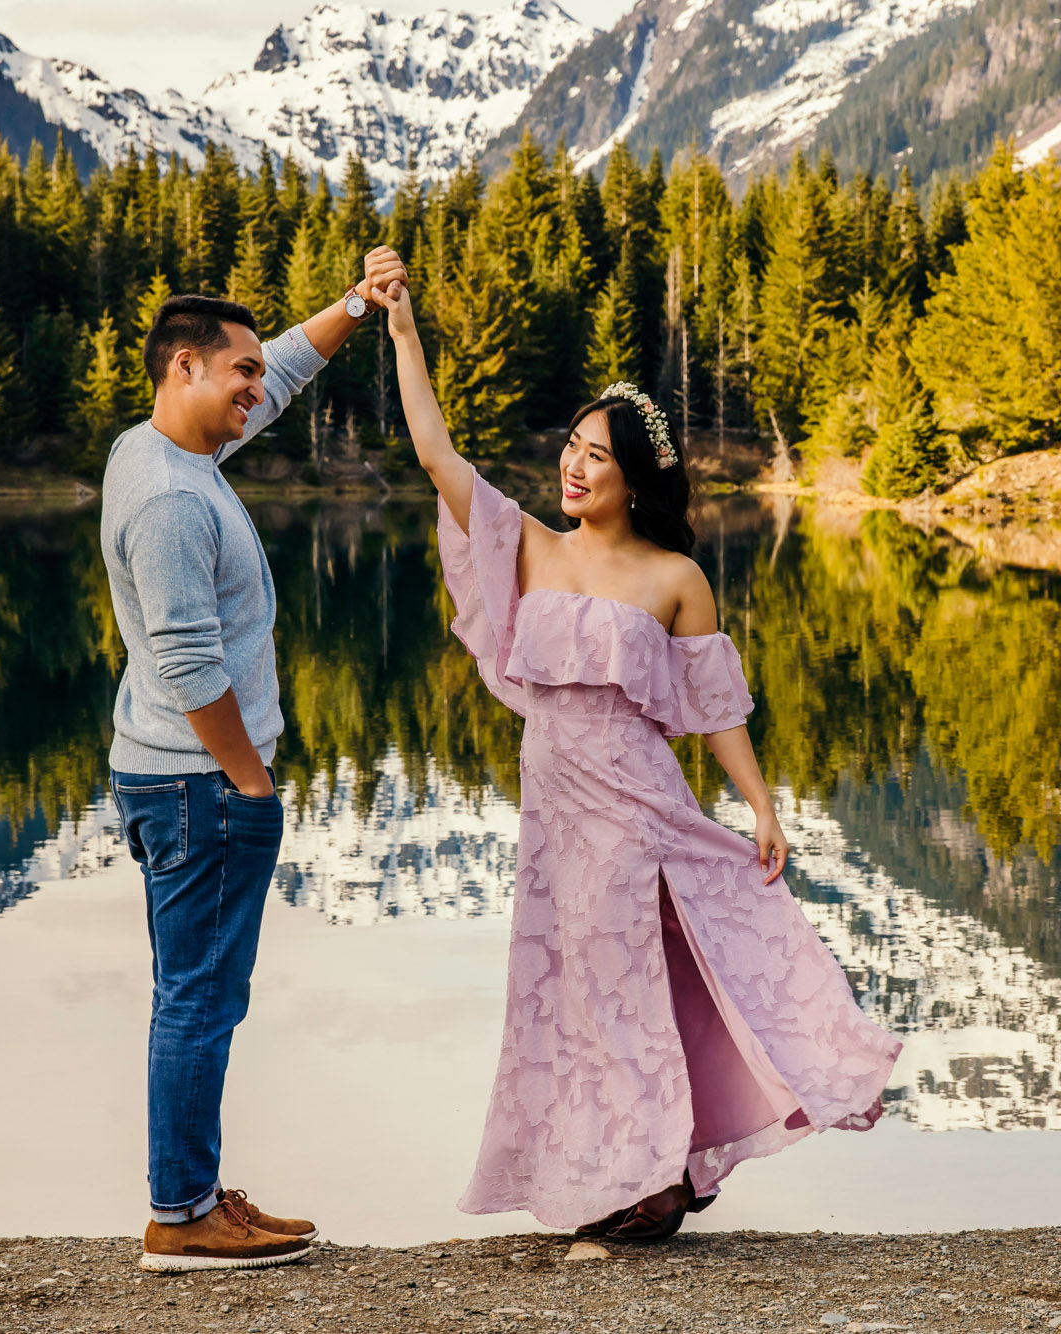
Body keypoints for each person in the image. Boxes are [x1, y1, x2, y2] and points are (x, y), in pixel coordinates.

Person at [374, 277, 904, 1238]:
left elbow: (717, 711)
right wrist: (405, 331)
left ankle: (654, 1180)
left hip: (635, 807)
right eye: (572, 450)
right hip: (553, 812)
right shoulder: (529, 546)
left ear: (635, 479)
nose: (575, 470)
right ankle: (625, 1173)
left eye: (597, 458)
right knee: (569, 995)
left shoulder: (675, 578)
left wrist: (764, 809)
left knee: (622, 989)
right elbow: (434, 453)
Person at [103, 247, 408, 1271]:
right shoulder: (172, 500)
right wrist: (247, 777)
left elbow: (278, 371)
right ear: (181, 367)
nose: (254, 387)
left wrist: (355, 310)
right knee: (200, 998)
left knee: (188, 993)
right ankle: (181, 1213)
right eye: (233, 372)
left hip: (161, 775)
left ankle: (188, 1193)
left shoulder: (160, 452)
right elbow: (190, 662)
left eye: (252, 373)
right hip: (198, 787)